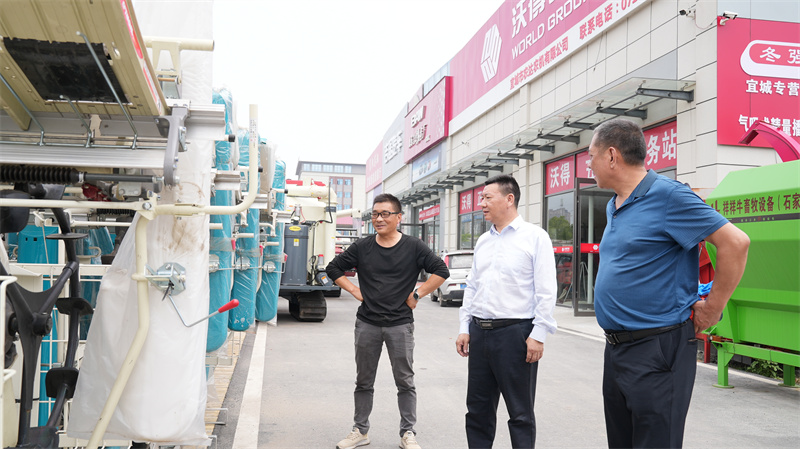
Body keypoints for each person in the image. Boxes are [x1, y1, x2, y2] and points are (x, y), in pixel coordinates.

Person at [588, 118, 750, 448]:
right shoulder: (615, 204)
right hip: (616, 348)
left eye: (591, 156)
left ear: (612, 156)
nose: (589, 165)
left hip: (657, 347)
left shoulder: (670, 196)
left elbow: (736, 243)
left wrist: (713, 309)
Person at [327, 193, 449, 449]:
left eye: (384, 214)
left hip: (400, 324)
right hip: (367, 323)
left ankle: (408, 433)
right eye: (375, 214)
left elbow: (441, 270)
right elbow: (333, 268)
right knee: (364, 381)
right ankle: (360, 431)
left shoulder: (414, 246)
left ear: (398, 217)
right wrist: (354, 290)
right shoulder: (362, 246)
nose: (378, 219)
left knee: (405, 381)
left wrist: (418, 294)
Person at [455, 174, 558, 449]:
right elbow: (472, 286)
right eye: (482, 198)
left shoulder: (535, 237)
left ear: (509, 199)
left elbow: (546, 290)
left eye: (488, 197)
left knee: (520, 413)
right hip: (480, 333)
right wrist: (465, 327)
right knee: (477, 410)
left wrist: (539, 334)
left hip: (515, 334)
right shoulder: (483, 241)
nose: (482, 203)